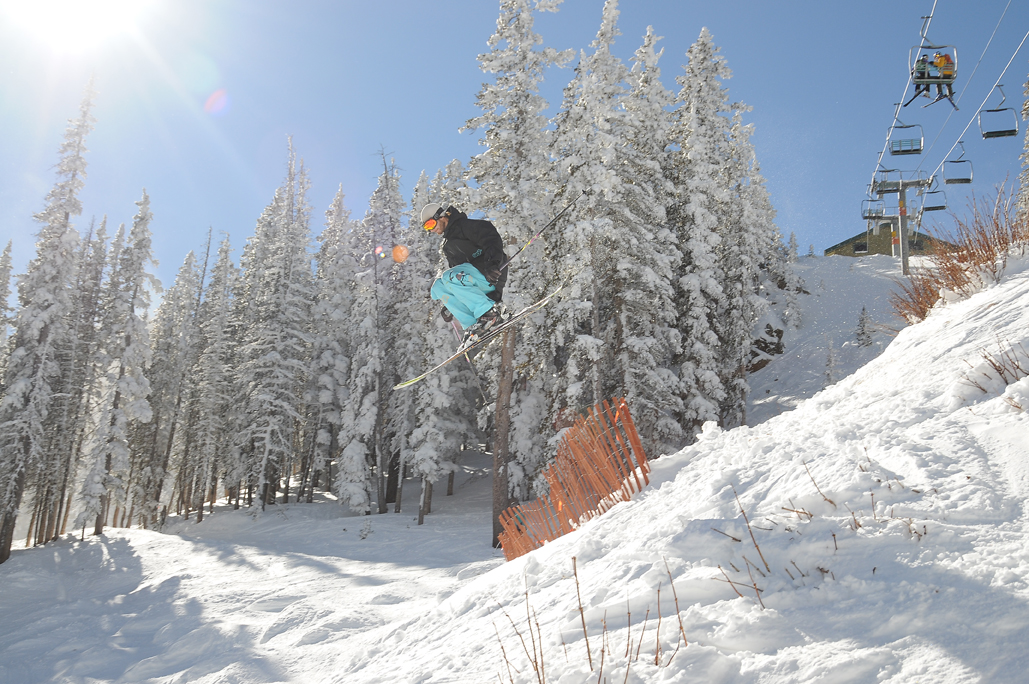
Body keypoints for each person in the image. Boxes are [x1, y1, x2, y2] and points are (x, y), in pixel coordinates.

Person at [421, 203, 508, 345]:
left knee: (446, 277)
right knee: (438, 287)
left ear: (441, 216)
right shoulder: (448, 247)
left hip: (490, 273)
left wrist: (492, 263)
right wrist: (451, 301)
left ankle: (489, 313)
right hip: (474, 281)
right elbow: (456, 278)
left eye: (431, 224)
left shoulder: (464, 226)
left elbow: (490, 236)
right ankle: (473, 325)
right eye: (427, 228)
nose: (431, 230)